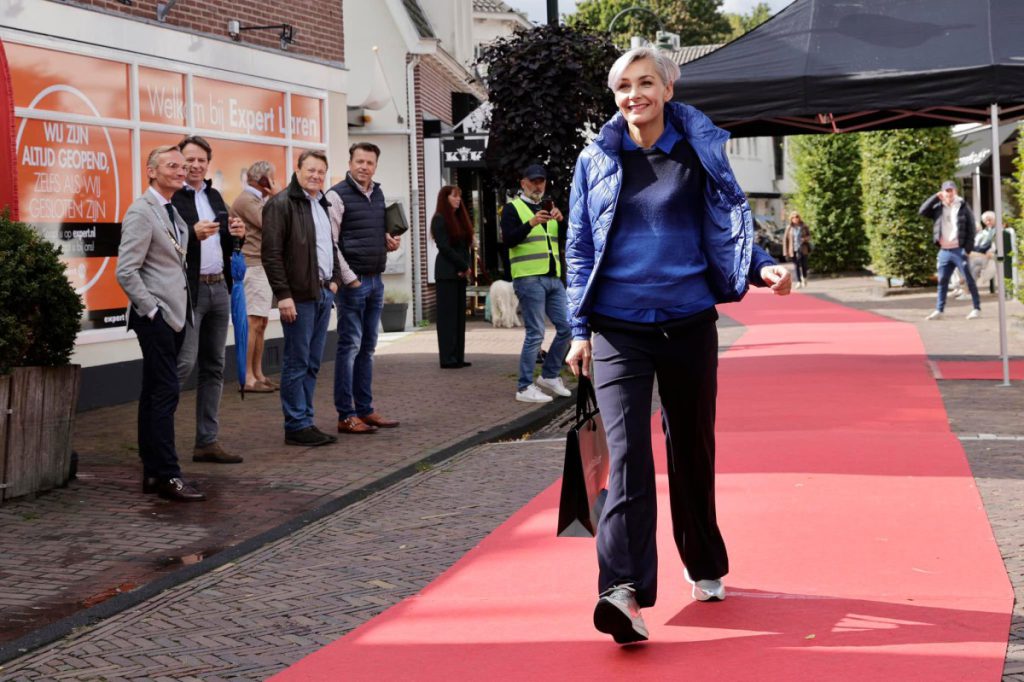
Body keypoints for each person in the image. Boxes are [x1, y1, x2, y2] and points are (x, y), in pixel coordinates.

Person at [564, 46, 791, 644]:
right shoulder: (595, 157)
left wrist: (761, 267)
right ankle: (622, 590)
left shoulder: (699, 152)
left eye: (645, 83)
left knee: (691, 447)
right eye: (623, 86)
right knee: (627, 459)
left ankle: (703, 559)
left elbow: (729, 225)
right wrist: (578, 330)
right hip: (618, 328)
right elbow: (579, 246)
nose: (633, 94)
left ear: (668, 89)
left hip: (689, 322)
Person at [116, 146, 205, 502]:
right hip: (157, 318)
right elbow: (126, 270)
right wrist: (152, 311)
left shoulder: (171, 209)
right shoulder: (142, 211)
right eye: (173, 166)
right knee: (165, 393)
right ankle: (168, 474)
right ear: (152, 171)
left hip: (175, 315)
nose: (182, 171)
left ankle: (153, 473)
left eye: (183, 166)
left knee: (154, 392)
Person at [172, 136, 247, 464]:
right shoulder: (172, 197)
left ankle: (207, 441)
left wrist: (237, 234)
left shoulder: (215, 196)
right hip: (189, 291)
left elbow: (227, 243)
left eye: (201, 160)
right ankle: (158, 439)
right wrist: (192, 234)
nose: (195, 165)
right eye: (189, 159)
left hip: (219, 288)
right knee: (183, 364)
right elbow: (165, 241)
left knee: (214, 367)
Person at [262, 150, 343, 446]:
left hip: (322, 293)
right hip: (298, 297)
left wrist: (335, 281)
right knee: (297, 362)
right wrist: (283, 295)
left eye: (321, 172)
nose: (316, 176)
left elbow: (330, 246)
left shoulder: (321, 203)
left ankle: (306, 420)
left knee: (312, 362)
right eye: (311, 170)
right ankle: (296, 424)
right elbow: (271, 254)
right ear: (297, 170)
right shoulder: (281, 204)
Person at [325, 142, 401, 435]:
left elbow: (371, 233)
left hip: (376, 280)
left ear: (375, 166)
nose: (364, 167)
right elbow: (331, 243)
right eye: (359, 161)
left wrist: (388, 242)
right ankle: (346, 415)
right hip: (353, 283)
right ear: (350, 162)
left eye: (369, 163)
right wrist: (350, 279)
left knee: (368, 348)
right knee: (349, 347)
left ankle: (366, 410)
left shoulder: (377, 193)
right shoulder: (336, 195)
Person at [500, 163, 573, 403]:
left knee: (568, 327)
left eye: (541, 181)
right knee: (536, 333)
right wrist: (530, 223)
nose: (538, 186)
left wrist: (561, 221)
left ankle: (549, 375)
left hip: (553, 278)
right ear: (523, 184)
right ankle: (524, 387)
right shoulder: (512, 209)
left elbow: (563, 239)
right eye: (533, 181)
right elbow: (508, 240)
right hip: (528, 278)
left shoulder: (548, 208)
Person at [232, 160, 278, 392]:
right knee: (253, 322)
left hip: (262, 265)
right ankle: (248, 377)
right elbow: (269, 223)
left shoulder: (259, 200)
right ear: (263, 180)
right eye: (272, 178)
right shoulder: (247, 200)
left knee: (261, 322)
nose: (275, 182)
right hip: (252, 265)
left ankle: (258, 372)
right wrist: (277, 196)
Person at [919, 180, 981, 320]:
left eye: (951, 190)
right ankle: (939, 310)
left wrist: (967, 250)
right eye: (946, 191)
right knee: (942, 281)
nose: (949, 193)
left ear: (955, 191)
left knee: (969, 279)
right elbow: (922, 211)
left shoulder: (963, 206)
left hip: (959, 250)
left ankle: (976, 308)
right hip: (944, 251)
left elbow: (971, 228)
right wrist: (935, 197)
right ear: (942, 192)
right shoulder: (938, 208)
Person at [431, 185, 474, 368]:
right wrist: (463, 266)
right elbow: (444, 247)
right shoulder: (439, 219)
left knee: (458, 318)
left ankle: (458, 357)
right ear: (445, 198)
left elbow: (464, 247)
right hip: (446, 273)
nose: (458, 199)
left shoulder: (459, 218)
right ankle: (447, 358)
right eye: (454, 196)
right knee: (447, 318)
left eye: (459, 196)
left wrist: (466, 267)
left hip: (459, 273)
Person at [969, 210, 999, 292]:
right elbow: (979, 244)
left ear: (995, 219)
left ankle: (966, 288)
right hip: (982, 254)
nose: (988, 222)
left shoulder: (996, 231)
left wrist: (976, 250)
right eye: (986, 220)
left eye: (990, 220)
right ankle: (965, 287)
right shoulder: (985, 231)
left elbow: (987, 245)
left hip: (989, 255)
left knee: (973, 265)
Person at [783, 211, 811, 288]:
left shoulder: (804, 226)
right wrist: (785, 252)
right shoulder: (789, 228)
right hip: (793, 250)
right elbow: (785, 240)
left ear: (799, 218)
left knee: (804, 265)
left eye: (797, 217)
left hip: (803, 249)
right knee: (796, 266)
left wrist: (804, 239)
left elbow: (809, 236)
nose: (795, 219)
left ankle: (804, 277)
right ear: (791, 219)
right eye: (793, 217)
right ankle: (799, 281)